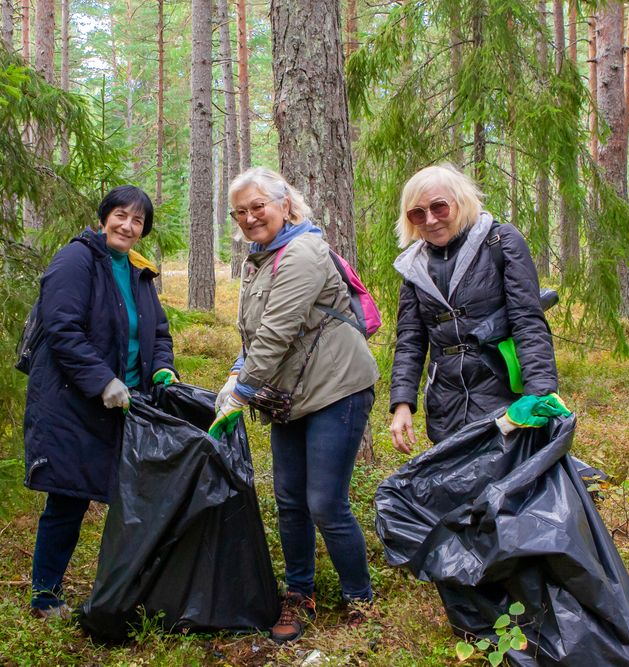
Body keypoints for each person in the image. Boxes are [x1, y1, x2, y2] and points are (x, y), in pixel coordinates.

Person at [209, 167, 379, 643]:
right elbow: (257, 334)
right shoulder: (259, 258)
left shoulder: (303, 251)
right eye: (239, 212)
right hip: (289, 395)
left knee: (324, 501)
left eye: (258, 206)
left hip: (336, 389)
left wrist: (241, 393)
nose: (249, 218)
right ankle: (299, 592)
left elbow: (279, 332)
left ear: (285, 204)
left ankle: (359, 594)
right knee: (288, 501)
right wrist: (233, 375)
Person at [22, 185, 178, 619]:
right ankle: (45, 595)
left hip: (130, 404)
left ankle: (119, 590)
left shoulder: (137, 270)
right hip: (75, 402)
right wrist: (103, 381)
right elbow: (62, 329)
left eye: (138, 221)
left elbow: (158, 333)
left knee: (132, 497)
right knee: (68, 499)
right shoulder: (76, 259)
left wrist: (163, 368)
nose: (128, 226)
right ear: (104, 215)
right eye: (121, 216)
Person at [388, 163, 570, 454]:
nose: (431, 220)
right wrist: (402, 404)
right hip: (445, 402)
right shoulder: (414, 266)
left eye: (439, 207)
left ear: (460, 202)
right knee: (456, 491)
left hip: (502, 392)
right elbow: (410, 340)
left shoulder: (501, 241)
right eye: (418, 213)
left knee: (510, 487)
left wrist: (540, 392)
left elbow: (527, 321)